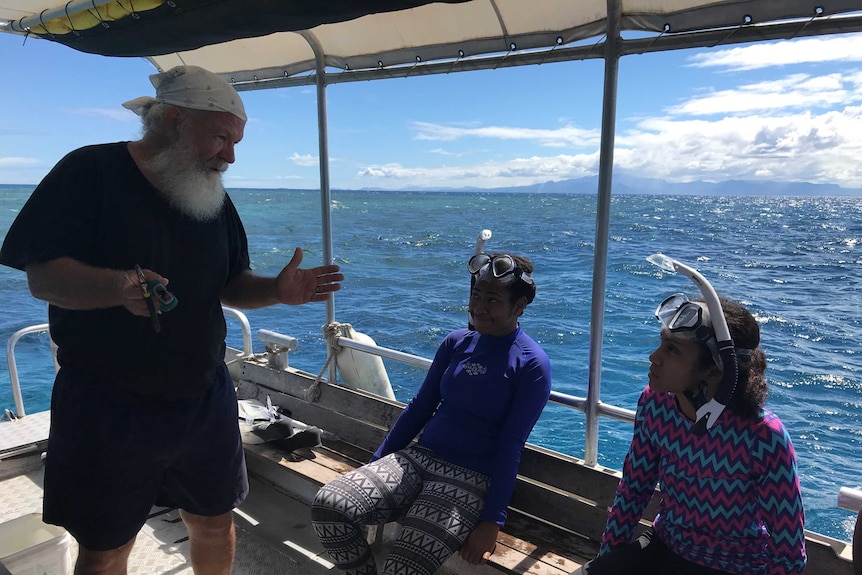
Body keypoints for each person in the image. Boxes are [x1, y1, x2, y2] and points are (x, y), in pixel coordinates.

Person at [0, 65, 343, 575]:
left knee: (213, 523)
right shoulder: (90, 172)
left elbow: (231, 284)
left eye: (236, 141)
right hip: (106, 403)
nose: (230, 156)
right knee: (107, 547)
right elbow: (44, 278)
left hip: (203, 397)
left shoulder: (211, 197)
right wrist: (118, 288)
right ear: (175, 120)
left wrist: (276, 290)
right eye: (222, 138)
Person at [311, 252, 552, 575]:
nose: (479, 306)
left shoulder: (531, 364)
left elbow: (512, 443)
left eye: (492, 299)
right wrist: (378, 463)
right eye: (476, 295)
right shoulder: (456, 343)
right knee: (329, 505)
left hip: (470, 480)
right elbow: (418, 409)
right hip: (418, 460)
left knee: (402, 569)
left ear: (519, 306)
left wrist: (491, 522)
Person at [576, 295, 806, 575]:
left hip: (735, 566)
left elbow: (789, 555)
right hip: (666, 546)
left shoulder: (764, 437)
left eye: (672, 349)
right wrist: (605, 563)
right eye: (661, 343)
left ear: (716, 368)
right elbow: (634, 490)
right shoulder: (655, 403)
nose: (654, 357)